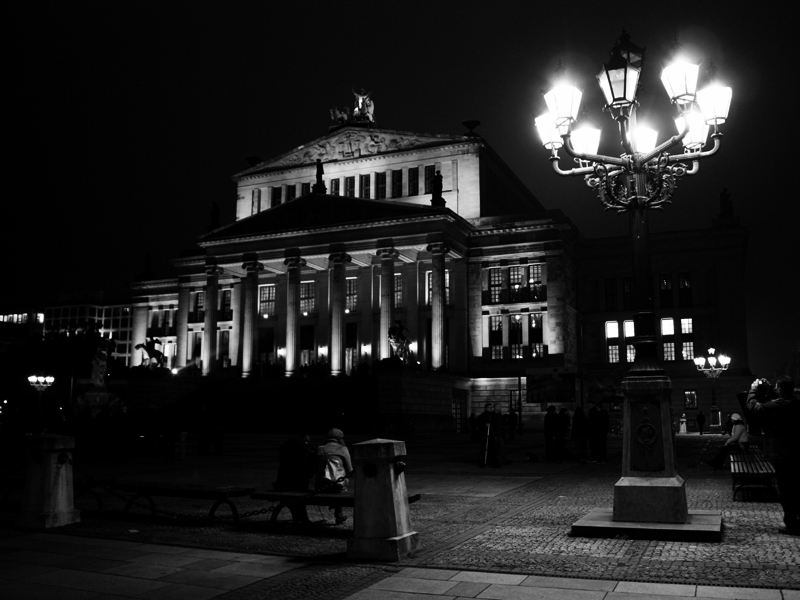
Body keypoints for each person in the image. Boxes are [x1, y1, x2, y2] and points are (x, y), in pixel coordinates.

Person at [746, 377, 799, 535]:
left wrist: (753, 389)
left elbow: (753, 406)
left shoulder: (775, 406)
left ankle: (791, 523)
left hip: (782, 455)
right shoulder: (797, 405)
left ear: (780, 389)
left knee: (786, 489)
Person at [274, 433, 317, 525]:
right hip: (297, 484)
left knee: (295, 498)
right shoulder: (304, 449)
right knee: (299, 494)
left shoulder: (285, 448)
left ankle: (299, 518)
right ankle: (302, 519)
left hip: (283, 484)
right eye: (307, 441)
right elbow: (308, 472)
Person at [315, 428, 353, 525]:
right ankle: (338, 514)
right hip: (338, 486)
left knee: (330, 483)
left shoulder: (320, 448)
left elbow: (316, 469)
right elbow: (349, 470)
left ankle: (338, 513)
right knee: (340, 483)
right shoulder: (343, 449)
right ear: (340, 438)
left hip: (321, 487)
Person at [477, 403, 500, 467]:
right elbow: (479, 423)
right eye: (489, 407)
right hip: (485, 434)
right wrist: (485, 424)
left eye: (491, 407)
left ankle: (494, 462)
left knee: (493, 449)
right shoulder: (483, 415)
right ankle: (482, 462)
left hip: (491, 434)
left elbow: (495, 424)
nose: (490, 409)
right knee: (483, 449)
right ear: (486, 408)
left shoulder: (493, 415)